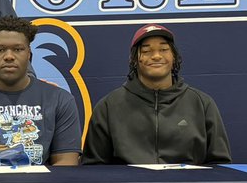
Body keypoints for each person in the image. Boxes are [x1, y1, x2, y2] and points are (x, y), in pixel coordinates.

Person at [83, 23, 231, 165]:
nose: (156, 56)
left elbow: (220, 165)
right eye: (146, 51)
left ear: (174, 57)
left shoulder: (202, 103)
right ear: (135, 59)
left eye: (164, 49)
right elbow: (95, 167)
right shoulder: (108, 106)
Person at [0, 16, 81, 167]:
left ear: (29, 54)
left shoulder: (60, 100)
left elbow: (66, 163)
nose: (9, 56)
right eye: (0, 50)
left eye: (18, 49)